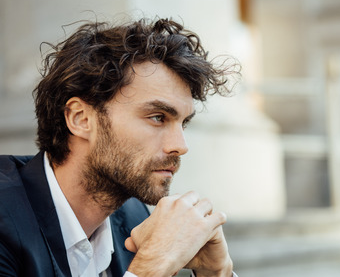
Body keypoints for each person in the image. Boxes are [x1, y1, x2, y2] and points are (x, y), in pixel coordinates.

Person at [0, 18, 239, 276]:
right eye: (158, 117)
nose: (180, 146)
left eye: (184, 123)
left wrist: (217, 272)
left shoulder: (133, 215)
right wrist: (151, 266)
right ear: (80, 119)